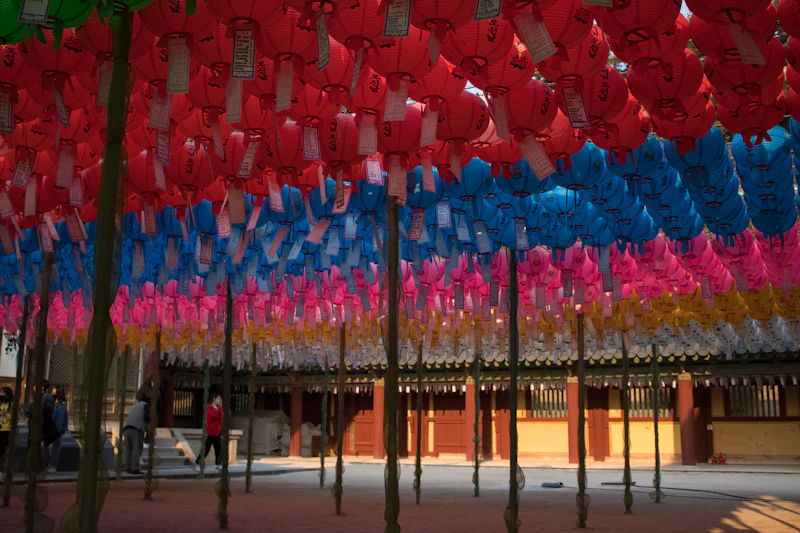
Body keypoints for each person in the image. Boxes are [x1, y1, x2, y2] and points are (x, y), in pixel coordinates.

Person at [25, 379, 58, 471]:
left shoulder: (47, 398)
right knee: (32, 446)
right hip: (33, 425)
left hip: (41, 426)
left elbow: (48, 411)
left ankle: (40, 465)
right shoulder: (38, 397)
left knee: (38, 446)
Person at [123, 396, 150, 475]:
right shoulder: (145, 405)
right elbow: (147, 417)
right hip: (136, 428)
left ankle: (128, 467)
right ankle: (135, 468)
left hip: (126, 429)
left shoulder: (135, 406)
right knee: (136, 449)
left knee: (128, 449)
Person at [197, 393, 224, 470]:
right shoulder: (209, 408)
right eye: (219, 398)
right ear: (214, 399)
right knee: (205, 449)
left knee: (218, 449)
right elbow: (216, 415)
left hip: (217, 432)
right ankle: (197, 462)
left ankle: (218, 464)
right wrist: (220, 409)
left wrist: (220, 409)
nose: (220, 400)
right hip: (210, 432)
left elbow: (224, 415)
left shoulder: (218, 409)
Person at [48, 387, 68, 474]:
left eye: (54, 392)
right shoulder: (53, 403)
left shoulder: (62, 405)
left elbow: (61, 419)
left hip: (57, 430)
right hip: (50, 428)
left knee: (56, 449)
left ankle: (53, 465)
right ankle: (49, 463)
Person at [0, 386, 13, 481]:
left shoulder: (11, 405)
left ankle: (2, 471)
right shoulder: (1, 403)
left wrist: (6, 415)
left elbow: (13, 418)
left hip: (6, 430)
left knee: (2, 451)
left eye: (2, 393)